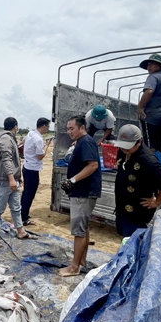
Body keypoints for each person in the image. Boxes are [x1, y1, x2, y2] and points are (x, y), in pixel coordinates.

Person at [58, 115, 102, 277]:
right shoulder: (82, 142)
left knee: (78, 231)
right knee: (83, 228)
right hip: (81, 191)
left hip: (84, 192)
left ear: (82, 127)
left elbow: (93, 165)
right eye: (68, 129)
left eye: (72, 128)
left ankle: (74, 267)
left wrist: (73, 180)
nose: (69, 131)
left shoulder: (86, 142)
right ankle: (82, 261)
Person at [113, 125, 161, 237]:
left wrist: (157, 201)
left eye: (128, 146)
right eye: (122, 146)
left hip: (137, 214)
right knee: (124, 240)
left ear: (139, 142)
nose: (125, 149)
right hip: (122, 210)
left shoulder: (148, 160)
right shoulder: (123, 152)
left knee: (134, 244)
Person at [0, 117, 34, 248]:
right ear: (15, 127)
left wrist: (17, 176)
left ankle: (20, 231)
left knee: (16, 207)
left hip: (12, 179)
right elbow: (6, 159)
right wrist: (11, 178)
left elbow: (13, 160)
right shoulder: (5, 139)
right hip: (5, 180)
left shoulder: (10, 138)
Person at [137, 53, 161, 153]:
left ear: (160, 65)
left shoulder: (153, 76)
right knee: (158, 145)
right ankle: (160, 166)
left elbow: (149, 91)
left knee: (150, 147)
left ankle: (151, 167)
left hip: (151, 118)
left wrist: (140, 107)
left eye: (152, 64)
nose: (149, 67)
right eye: (148, 65)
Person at [20, 117, 52, 225]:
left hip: (26, 166)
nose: (47, 129)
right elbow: (40, 156)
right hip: (32, 169)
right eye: (47, 126)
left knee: (26, 192)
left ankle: (21, 214)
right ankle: (23, 218)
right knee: (30, 194)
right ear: (43, 126)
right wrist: (47, 146)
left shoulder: (31, 133)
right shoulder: (38, 139)